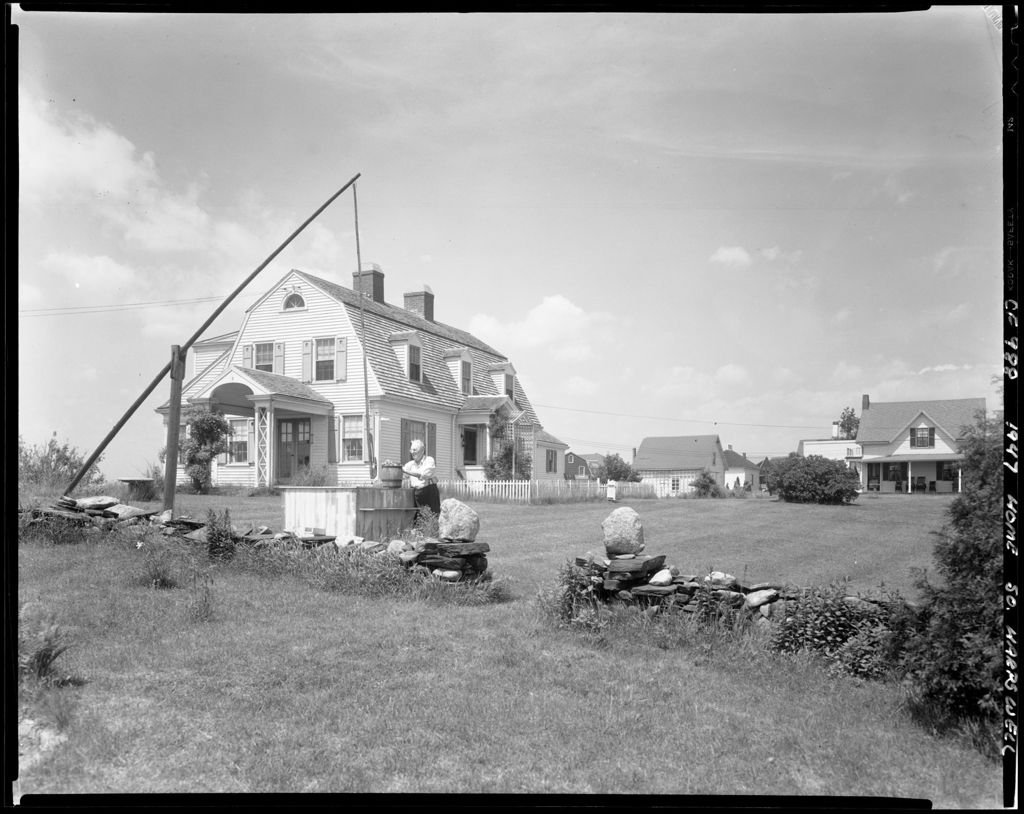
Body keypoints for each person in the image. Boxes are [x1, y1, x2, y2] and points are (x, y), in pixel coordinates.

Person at [403, 439, 440, 520]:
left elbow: (424, 474)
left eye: (415, 450)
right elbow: (401, 473)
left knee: (432, 517)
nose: (412, 452)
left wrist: (408, 472)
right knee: (418, 519)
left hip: (429, 492)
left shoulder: (429, 460)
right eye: (411, 450)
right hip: (416, 494)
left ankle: (432, 532)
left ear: (422, 450)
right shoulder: (410, 464)